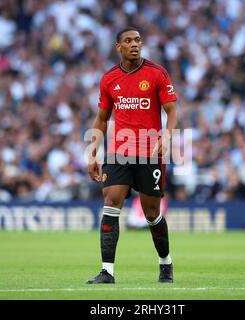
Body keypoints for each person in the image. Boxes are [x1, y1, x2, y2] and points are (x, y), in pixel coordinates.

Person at [86, 27, 178, 284]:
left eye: (137, 40)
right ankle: (107, 271)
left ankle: (165, 263)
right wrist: (92, 153)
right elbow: (102, 118)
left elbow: (171, 111)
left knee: (151, 213)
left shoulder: (156, 73)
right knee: (112, 202)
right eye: (128, 41)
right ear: (119, 47)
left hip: (149, 152)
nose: (134, 44)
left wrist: (167, 135)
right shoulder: (109, 79)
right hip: (119, 152)